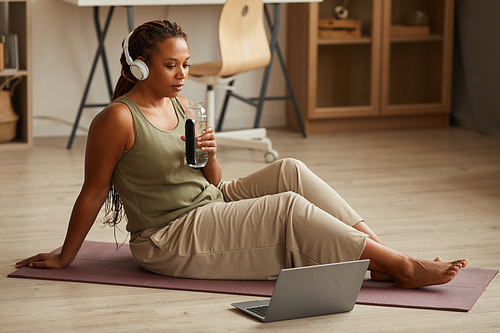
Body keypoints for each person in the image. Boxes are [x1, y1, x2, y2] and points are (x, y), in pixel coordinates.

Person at [15, 20, 467, 288]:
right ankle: (400, 267)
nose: (182, 74)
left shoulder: (185, 106)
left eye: (186, 64)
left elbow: (211, 181)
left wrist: (208, 152)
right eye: (171, 65)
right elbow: (93, 192)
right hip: (169, 235)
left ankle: (382, 254)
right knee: (287, 208)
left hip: (207, 203)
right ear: (138, 67)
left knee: (290, 169)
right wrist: (65, 257)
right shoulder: (117, 119)